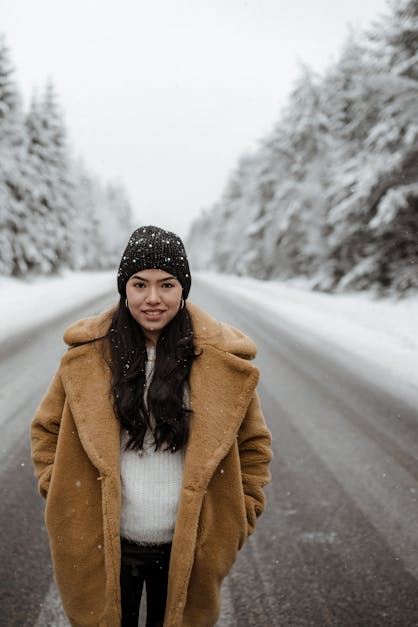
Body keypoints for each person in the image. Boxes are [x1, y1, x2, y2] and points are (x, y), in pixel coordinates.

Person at [30, 225, 272, 626]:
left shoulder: (219, 362)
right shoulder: (88, 358)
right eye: (140, 284)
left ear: (184, 290)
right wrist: (65, 497)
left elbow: (254, 448)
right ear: (125, 289)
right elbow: (47, 431)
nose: (153, 298)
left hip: (189, 546)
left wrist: (236, 520)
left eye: (167, 284)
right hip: (106, 544)